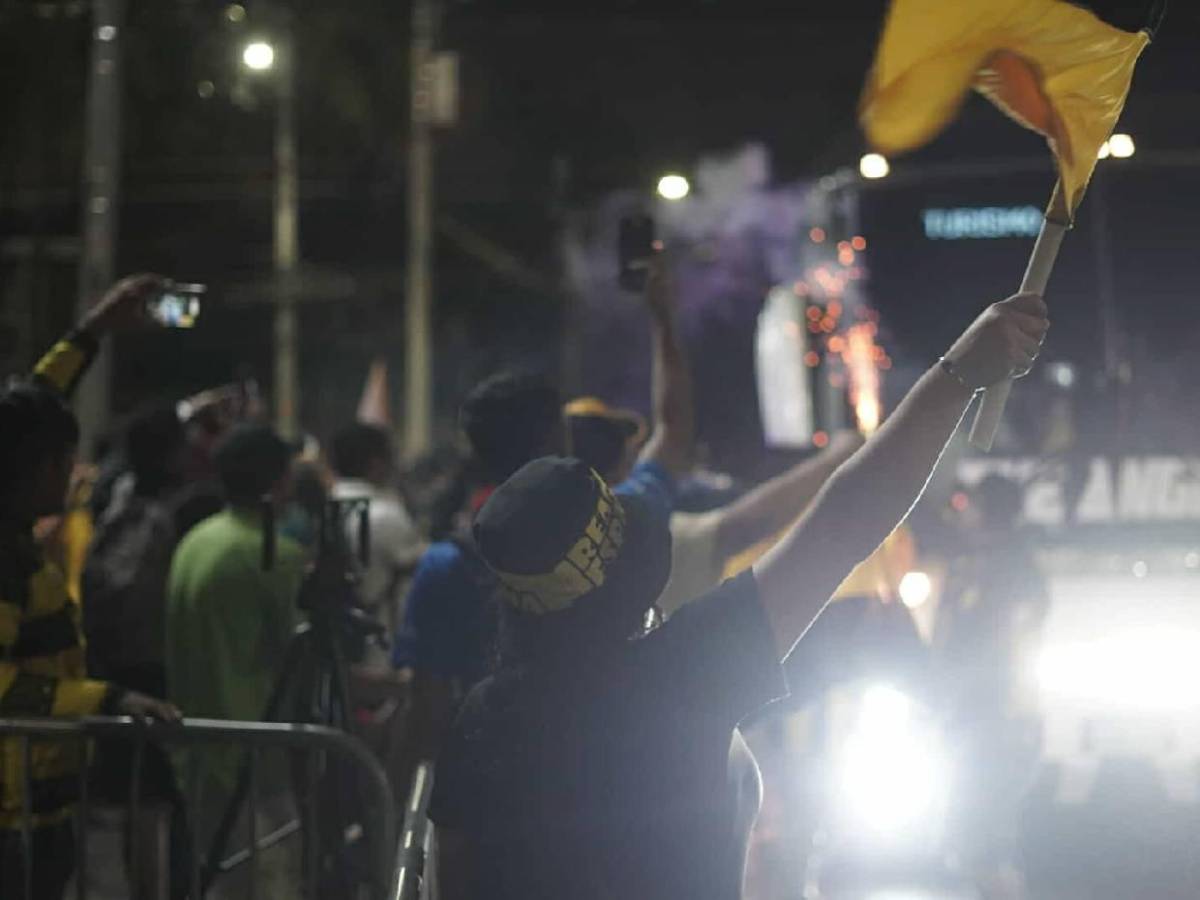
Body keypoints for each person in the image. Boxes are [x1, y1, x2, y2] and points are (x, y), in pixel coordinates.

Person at [430, 292, 1050, 900]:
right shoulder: (680, 676)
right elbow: (846, 519)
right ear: (628, 582)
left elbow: (449, 884)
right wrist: (958, 374)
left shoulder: (479, 726)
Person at [392, 256, 693, 787]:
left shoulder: (444, 566)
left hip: (496, 797)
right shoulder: (610, 525)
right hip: (611, 777)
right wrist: (663, 320)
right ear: (557, 441)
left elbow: (428, 715)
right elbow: (671, 435)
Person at [0, 275, 181, 900]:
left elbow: (28, 409)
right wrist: (106, 701)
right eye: (59, 462)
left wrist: (93, 331)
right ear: (32, 468)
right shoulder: (3, 561)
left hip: (35, 809)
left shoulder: (13, 526)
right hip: (12, 822)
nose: (71, 476)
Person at [164, 423, 305, 899]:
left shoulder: (195, 540)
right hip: (255, 751)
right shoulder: (274, 555)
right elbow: (300, 655)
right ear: (278, 483)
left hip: (196, 745)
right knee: (267, 882)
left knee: (218, 881)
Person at [329, 422, 425, 671]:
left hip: (334, 651)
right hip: (381, 656)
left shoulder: (326, 507)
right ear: (376, 463)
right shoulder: (386, 515)